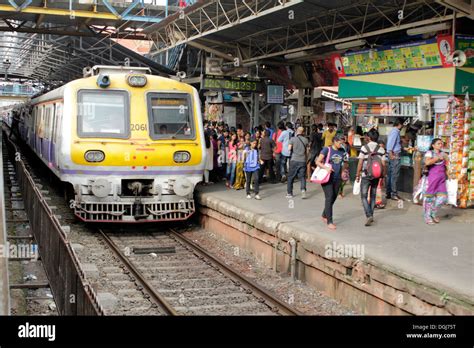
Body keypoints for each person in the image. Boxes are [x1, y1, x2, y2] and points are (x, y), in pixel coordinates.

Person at [315, 134, 347, 230]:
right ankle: (330, 221)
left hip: (337, 178)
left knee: (333, 197)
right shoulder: (327, 149)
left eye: (342, 143)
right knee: (329, 197)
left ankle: (324, 214)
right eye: (340, 143)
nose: (341, 145)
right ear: (335, 141)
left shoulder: (342, 151)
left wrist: (343, 173)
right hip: (327, 177)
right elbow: (318, 161)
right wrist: (326, 167)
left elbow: (344, 163)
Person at [355, 129, 386, 226]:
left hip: (365, 175)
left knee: (364, 196)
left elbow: (360, 162)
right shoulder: (381, 149)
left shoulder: (364, 148)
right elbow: (384, 164)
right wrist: (383, 176)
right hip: (376, 175)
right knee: (373, 196)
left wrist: (357, 174)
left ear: (369, 137)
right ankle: (371, 214)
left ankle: (369, 215)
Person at [423, 138, 448, 225]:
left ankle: (433, 212)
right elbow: (427, 163)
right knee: (430, 198)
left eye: (441, 143)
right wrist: (436, 158)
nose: (440, 145)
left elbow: (448, 164)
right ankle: (427, 216)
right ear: (433, 145)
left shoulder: (443, 154)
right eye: (438, 143)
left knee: (443, 198)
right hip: (432, 177)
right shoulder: (430, 153)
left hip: (442, 178)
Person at [286, 127, 309, 199]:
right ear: (303, 132)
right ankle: (303, 190)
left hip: (294, 160)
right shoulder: (306, 140)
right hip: (302, 160)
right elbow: (307, 151)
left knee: (290, 177)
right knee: (302, 177)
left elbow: (289, 148)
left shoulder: (292, 139)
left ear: (296, 131)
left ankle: (289, 193)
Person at [386, 119, 404, 201]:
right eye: (402, 124)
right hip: (394, 156)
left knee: (391, 175)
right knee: (394, 175)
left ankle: (389, 193)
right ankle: (393, 193)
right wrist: (390, 153)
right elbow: (390, 143)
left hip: (393, 155)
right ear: (400, 124)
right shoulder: (395, 131)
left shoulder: (394, 131)